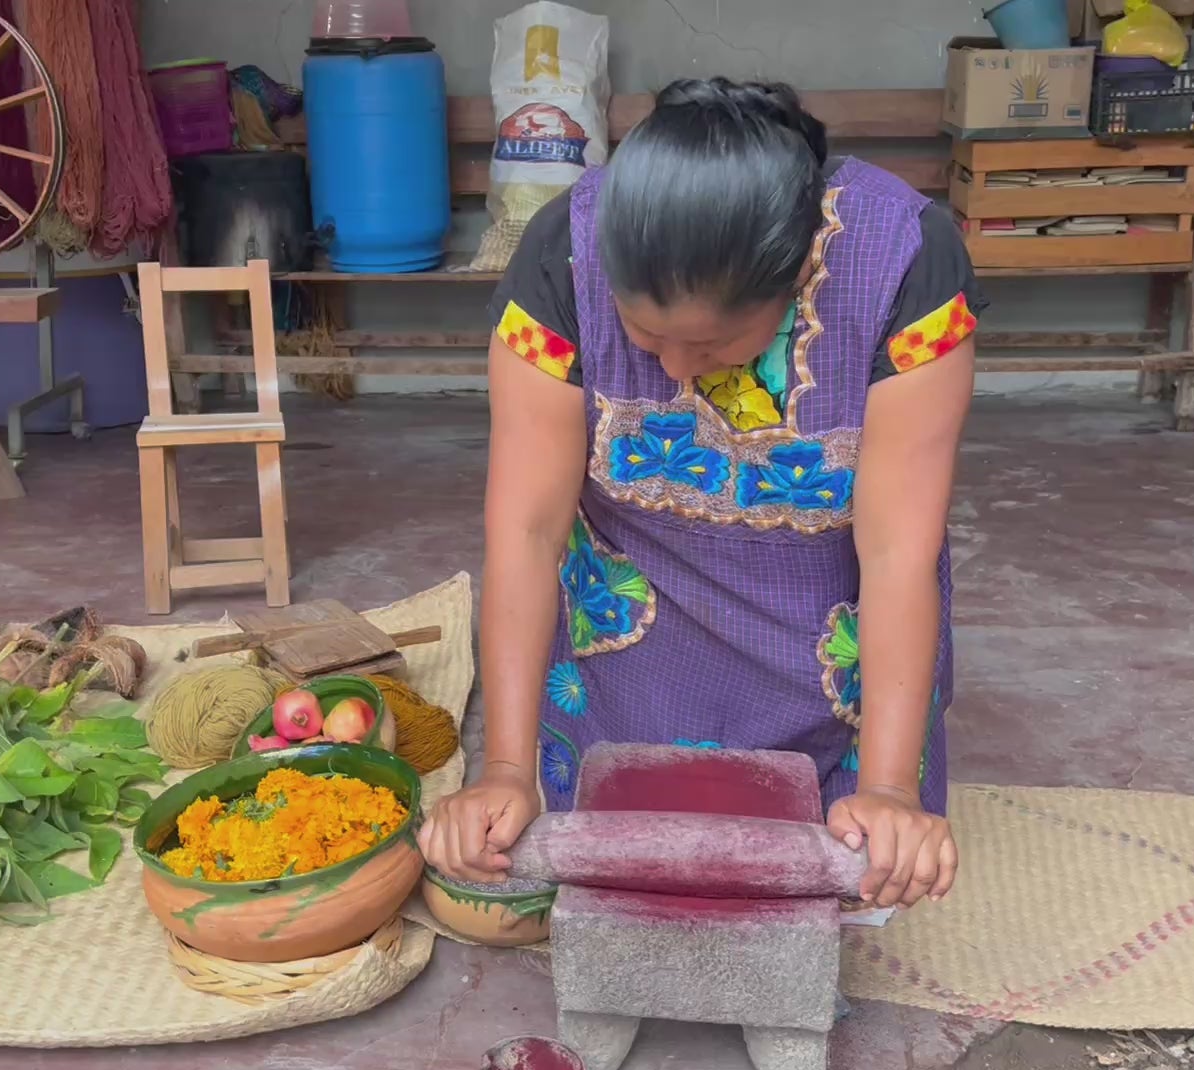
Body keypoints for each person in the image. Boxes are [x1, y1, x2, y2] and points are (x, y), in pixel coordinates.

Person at [419, 78, 983, 909]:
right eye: (646, 338)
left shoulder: (905, 262)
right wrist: (505, 768)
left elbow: (900, 550)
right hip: (632, 648)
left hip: (831, 654)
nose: (675, 369)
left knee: (844, 875)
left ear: (792, 280)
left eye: (713, 343)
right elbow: (528, 532)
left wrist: (893, 791)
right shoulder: (561, 257)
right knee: (627, 868)